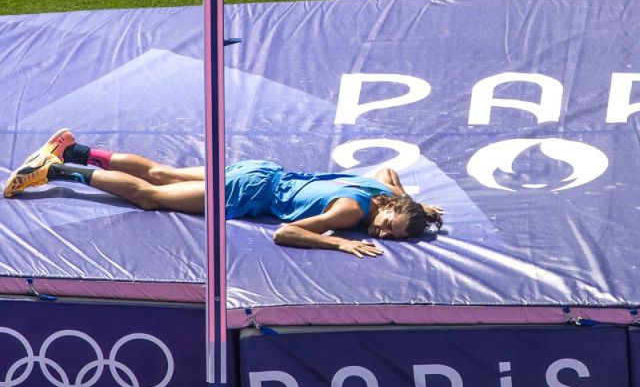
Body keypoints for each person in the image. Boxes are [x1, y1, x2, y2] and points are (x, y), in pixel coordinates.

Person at [3, 129, 443, 258]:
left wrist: (413, 205)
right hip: (246, 191)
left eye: (392, 235)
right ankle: (56, 169)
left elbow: (389, 169)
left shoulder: (381, 188)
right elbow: (286, 233)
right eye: (388, 227)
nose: (383, 234)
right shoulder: (349, 214)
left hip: (259, 171)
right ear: (387, 208)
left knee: (162, 173)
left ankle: (74, 148)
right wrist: (340, 242)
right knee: (149, 195)